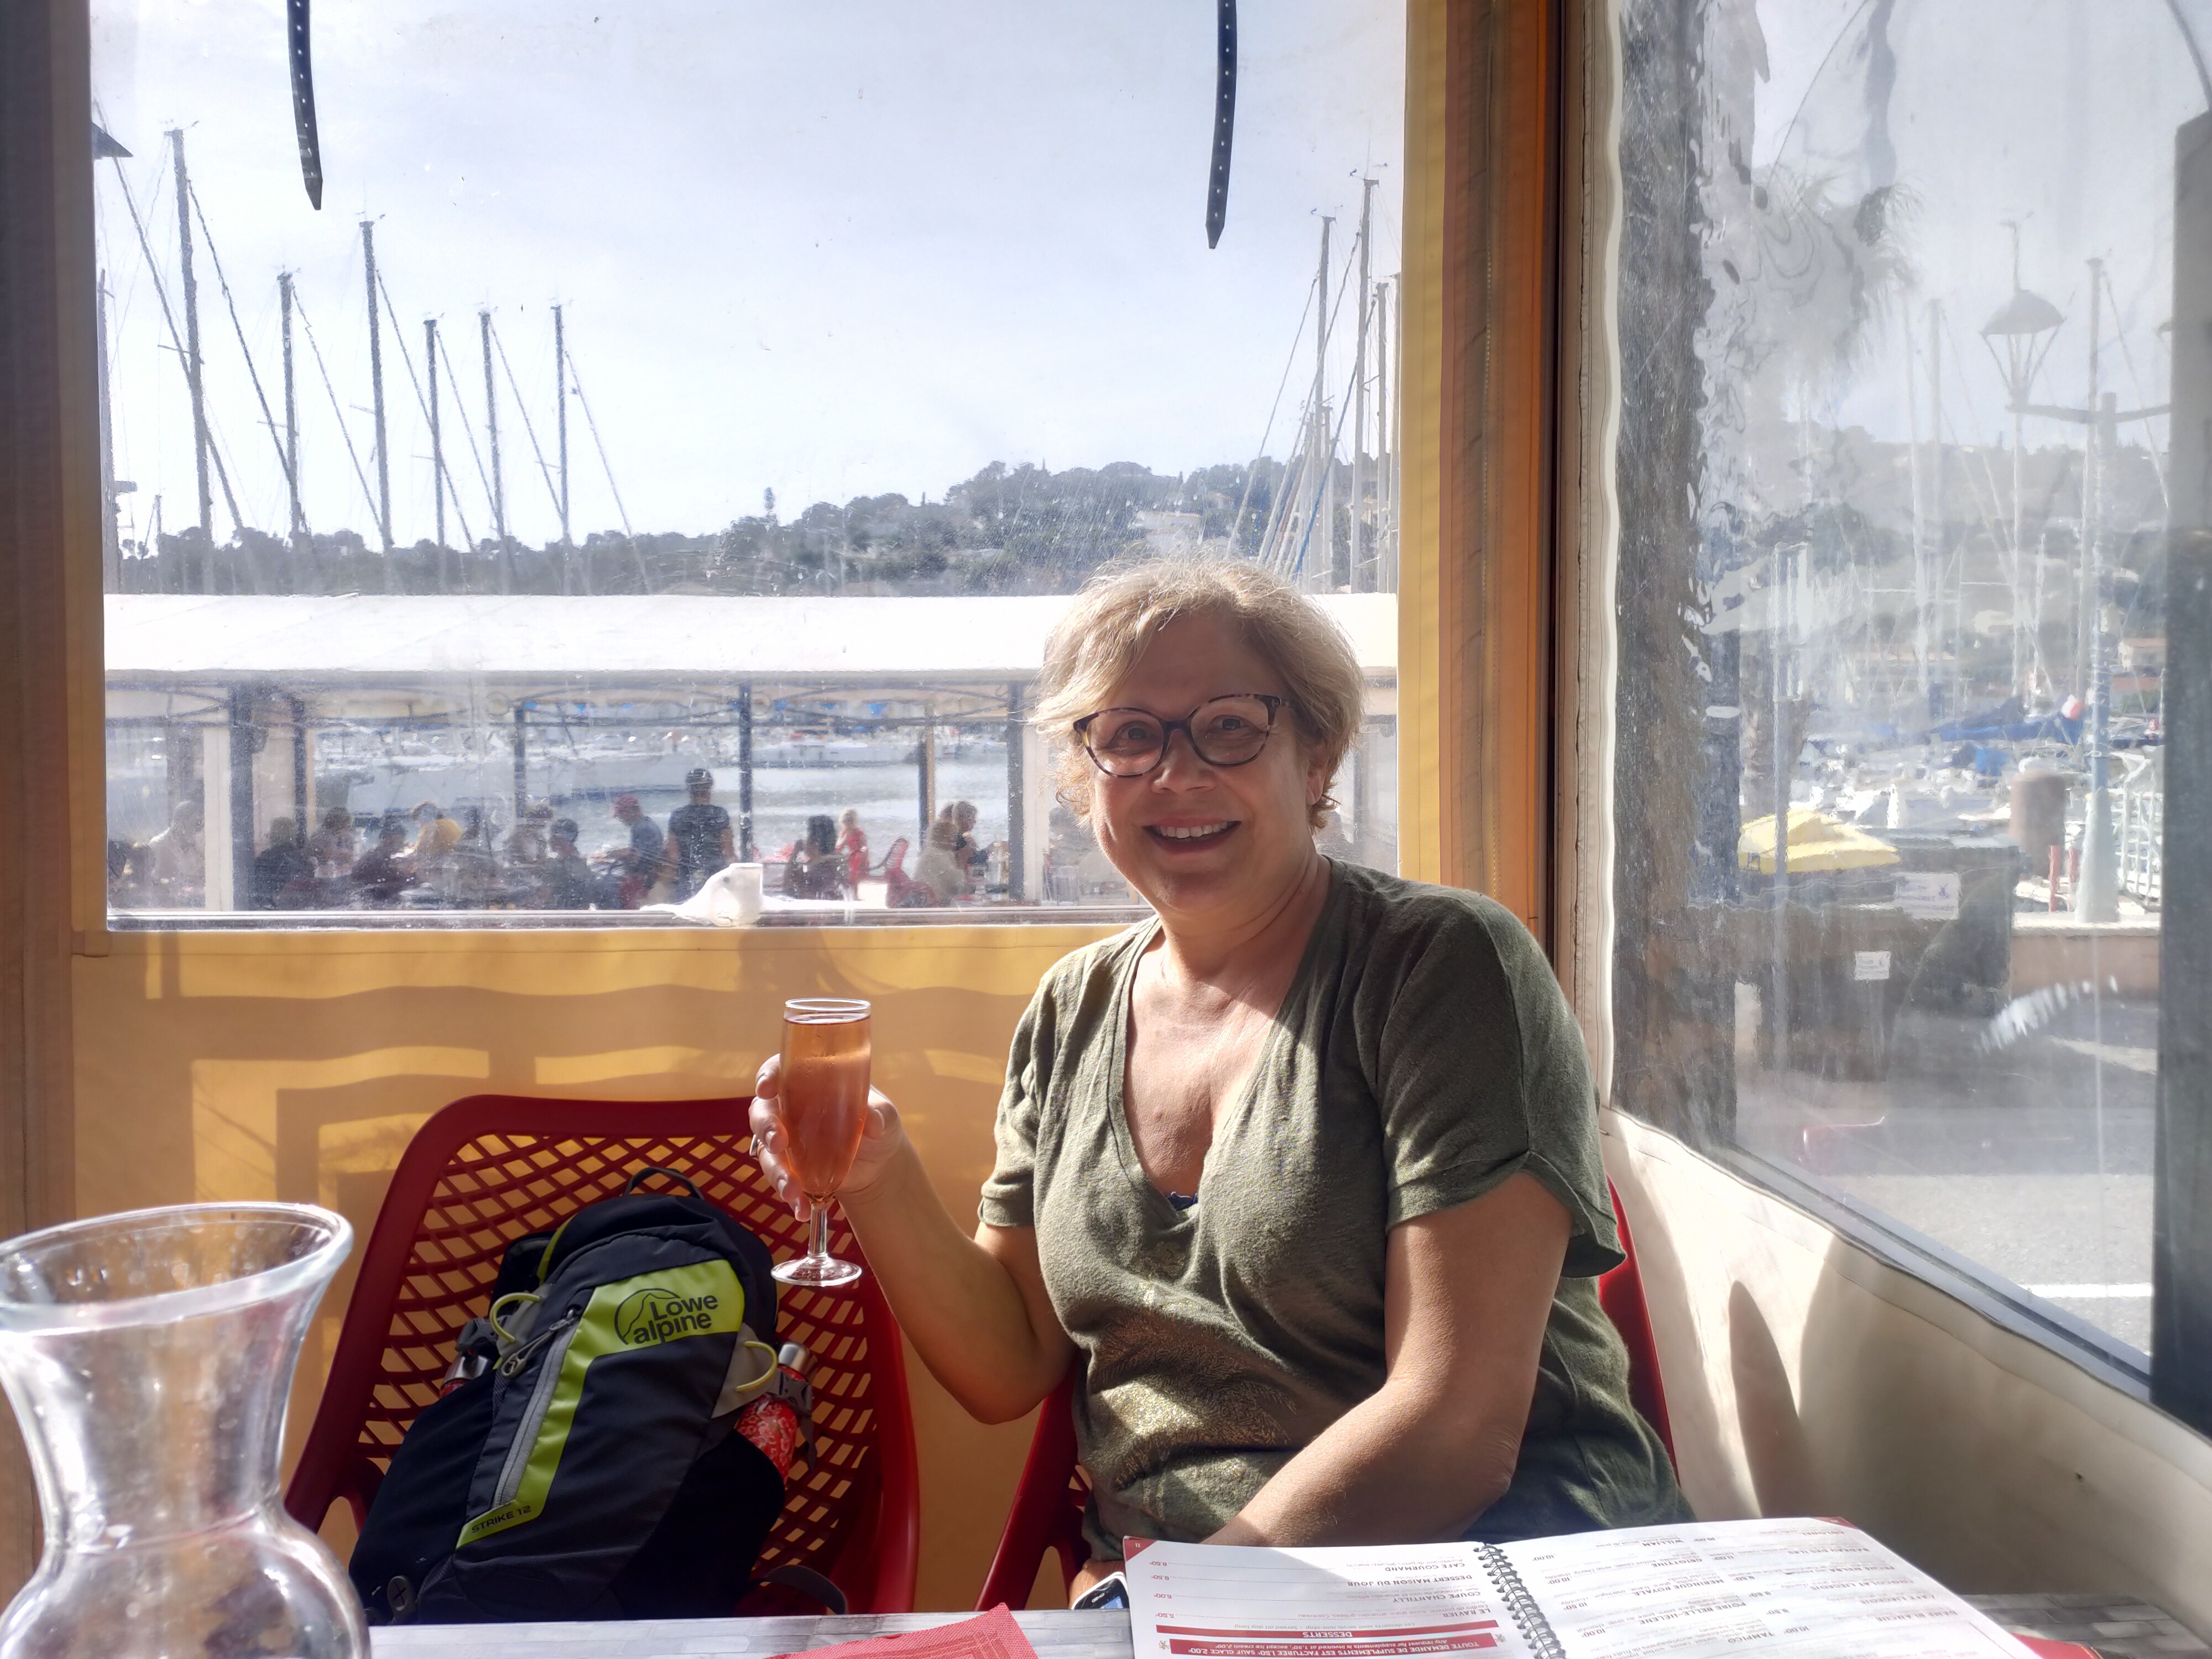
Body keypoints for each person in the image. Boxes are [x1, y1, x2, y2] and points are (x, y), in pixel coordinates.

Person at [752, 559, 1684, 1594]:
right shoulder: (1070, 1010)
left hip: (1496, 1576)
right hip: (1184, 1603)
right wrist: (877, 1173)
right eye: (1129, 735)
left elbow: (1456, 1430)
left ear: (1317, 757)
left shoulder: (1442, 965)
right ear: (1086, 775)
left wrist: (1182, 1601)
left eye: (1230, 728)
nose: (1176, 774)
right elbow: (1008, 1364)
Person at [666, 768, 736, 900]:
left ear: (689, 791)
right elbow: (728, 853)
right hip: (715, 879)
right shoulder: (719, 815)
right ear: (709, 790)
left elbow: (673, 856)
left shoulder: (678, 816)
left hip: (687, 879)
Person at [604, 794, 666, 909]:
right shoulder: (645, 824)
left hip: (644, 876)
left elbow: (639, 856)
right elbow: (640, 850)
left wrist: (617, 854)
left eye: (621, 815)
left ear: (631, 812)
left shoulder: (642, 828)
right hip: (647, 873)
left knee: (607, 887)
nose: (621, 819)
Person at [147, 799, 204, 905]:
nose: (199, 828)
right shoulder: (159, 845)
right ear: (180, 823)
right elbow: (155, 882)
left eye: (201, 824)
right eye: (197, 823)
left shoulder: (197, 845)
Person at [249, 818, 314, 910]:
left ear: (273, 835)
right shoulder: (302, 860)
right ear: (294, 835)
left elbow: (259, 892)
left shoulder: (264, 859)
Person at [349, 815, 414, 906]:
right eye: (393, 843)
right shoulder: (373, 858)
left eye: (400, 843)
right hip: (371, 901)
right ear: (383, 840)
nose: (397, 847)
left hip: (384, 900)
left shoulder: (390, 858)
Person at [782, 813, 845, 900]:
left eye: (808, 837)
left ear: (815, 843)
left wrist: (794, 855)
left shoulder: (805, 871)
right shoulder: (839, 863)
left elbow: (787, 888)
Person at [540, 817, 596, 910]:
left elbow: (546, 896)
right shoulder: (580, 862)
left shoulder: (559, 865)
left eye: (553, 837)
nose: (550, 840)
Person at [912, 817, 966, 905]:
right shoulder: (936, 857)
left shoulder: (934, 852)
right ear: (944, 838)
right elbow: (957, 885)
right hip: (936, 905)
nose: (956, 840)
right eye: (954, 836)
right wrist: (962, 862)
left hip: (928, 902)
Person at [836, 808, 870, 892]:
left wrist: (861, 851)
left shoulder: (859, 833)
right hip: (850, 858)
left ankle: (854, 891)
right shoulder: (843, 833)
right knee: (838, 862)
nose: (848, 823)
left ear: (855, 821)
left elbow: (865, 848)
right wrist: (843, 841)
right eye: (845, 821)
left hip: (860, 859)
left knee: (855, 860)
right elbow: (838, 849)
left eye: (851, 821)